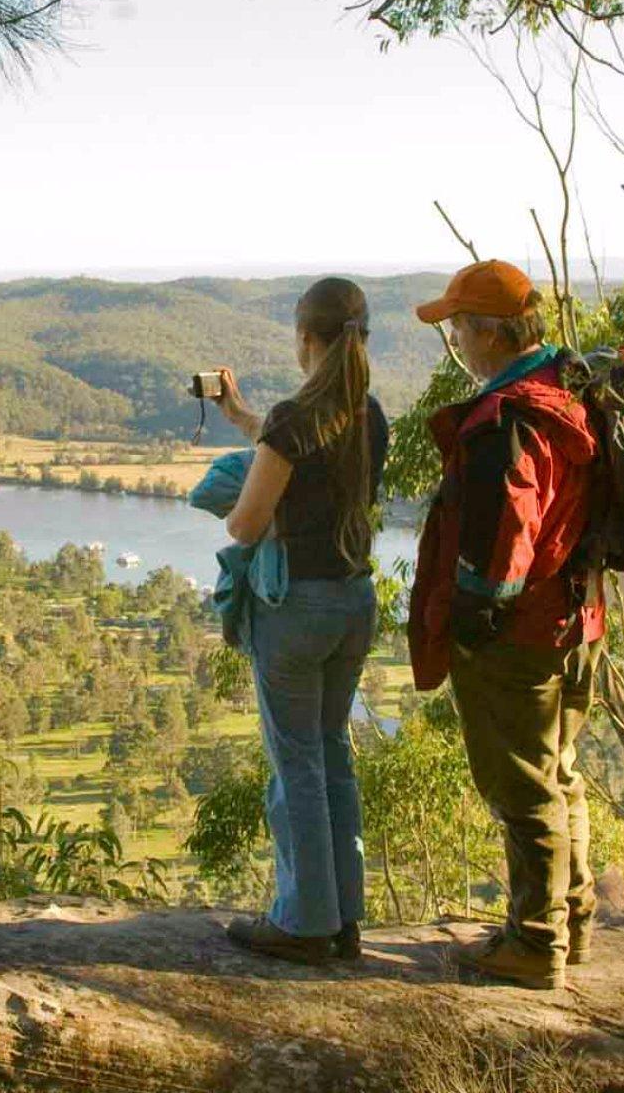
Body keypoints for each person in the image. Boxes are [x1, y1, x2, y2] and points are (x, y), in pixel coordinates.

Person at [407, 260, 600, 991]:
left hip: (519, 631)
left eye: (458, 324)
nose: (454, 336)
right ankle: (568, 923)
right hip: (575, 616)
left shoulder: (507, 417)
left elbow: (505, 532)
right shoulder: (565, 392)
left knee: (522, 786)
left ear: (488, 332)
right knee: (558, 774)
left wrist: (470, 614)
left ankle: (534, 942)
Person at [206, 276, 390, 965]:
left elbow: (247, 521)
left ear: (304, 340)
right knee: (332, 755)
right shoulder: (366, 412)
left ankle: (303, 922)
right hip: (352, 603)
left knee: (295, 764)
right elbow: (296, 445)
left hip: (297, 610)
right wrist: (241, 417)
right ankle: (342, 918)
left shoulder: (297, 417)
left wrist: (230, 500)